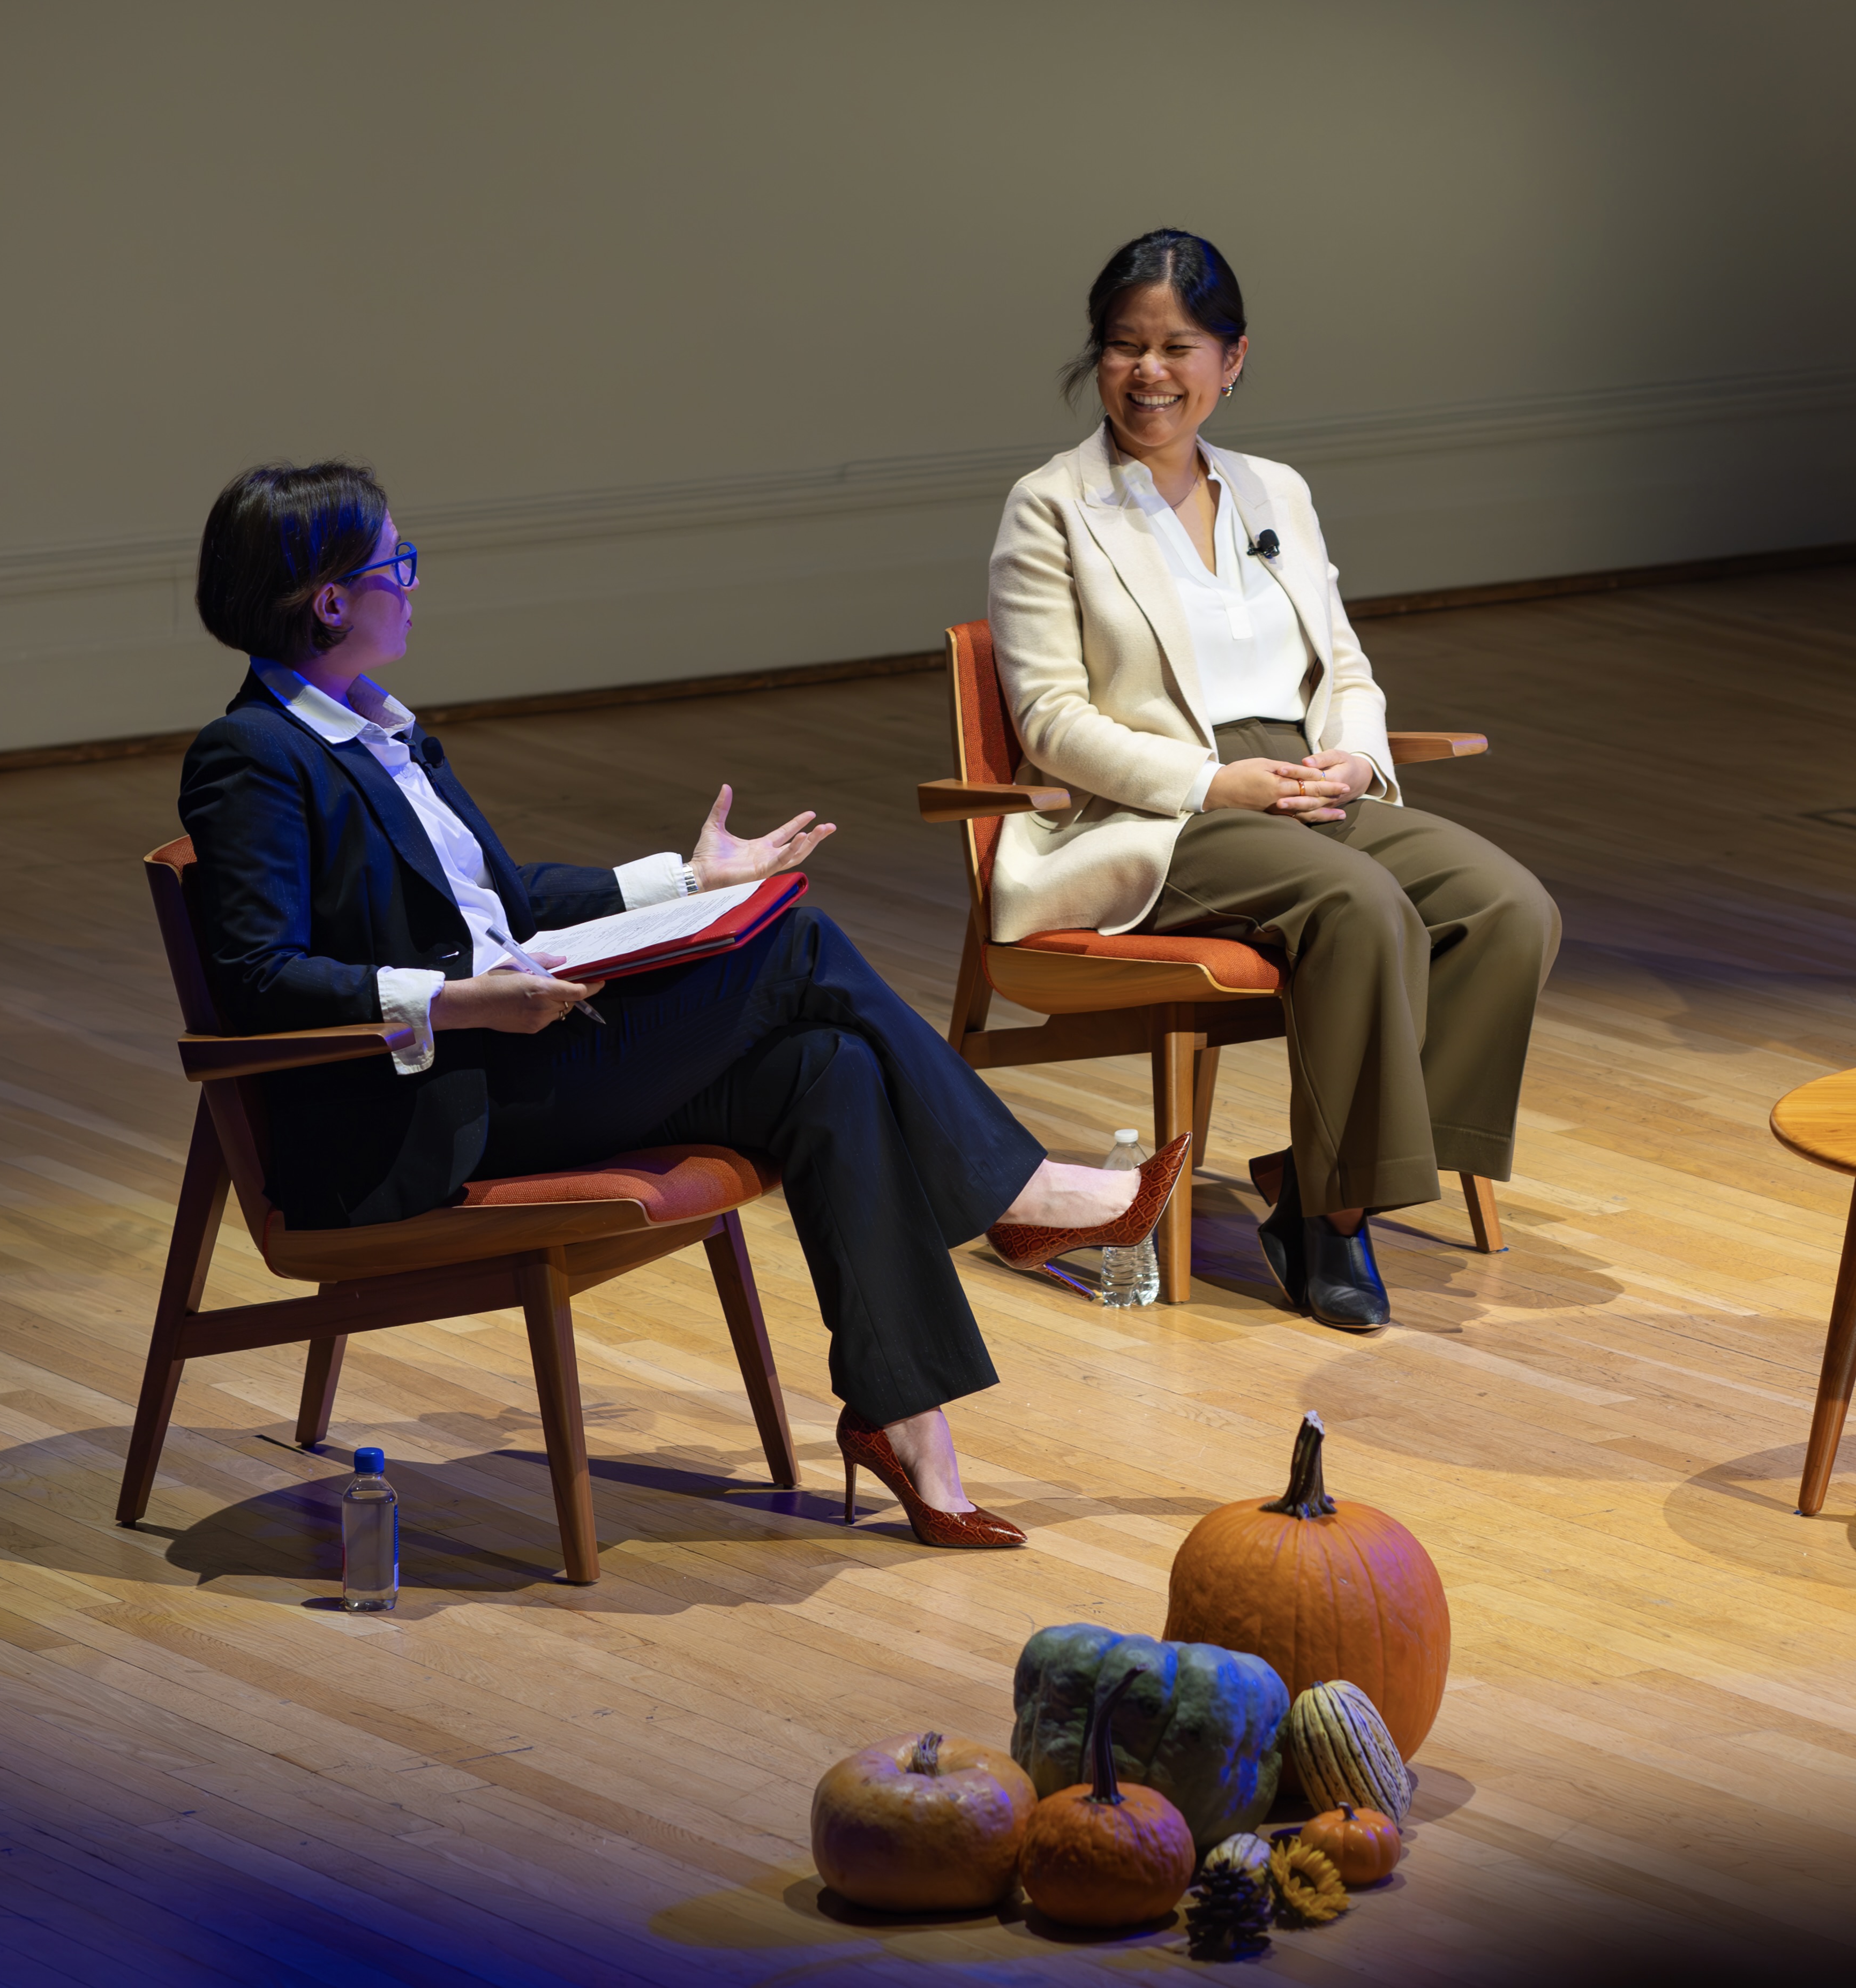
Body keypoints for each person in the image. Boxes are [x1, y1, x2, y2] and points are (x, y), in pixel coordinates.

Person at [178, 462, 1189, 1548]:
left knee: (828, 1066)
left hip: (519, 1049)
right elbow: (256, 976)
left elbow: (508, 903)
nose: (414, 584)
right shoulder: (253, 757)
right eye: (397, 564)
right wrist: (459, 1000)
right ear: (330, 600)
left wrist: (689, 880)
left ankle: (903, 1422)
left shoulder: (388, 731)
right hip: (436, 1099)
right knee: (794, 942)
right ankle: (1024, 1189)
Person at [987, 229, 1560, 1330]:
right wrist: (1217, 784)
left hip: (1300, 777)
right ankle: (1332, 1219)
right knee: (1358, 905)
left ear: (1231, 358)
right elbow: (1053, 723)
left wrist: (1355, 754)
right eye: (1122, 346)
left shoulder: (1273, 490)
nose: (1148, 372)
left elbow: (1340, 662)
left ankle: (1310, 1169)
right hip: (1162, 806)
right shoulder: (1051, 504)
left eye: (1176, 346)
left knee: (1507, 909)